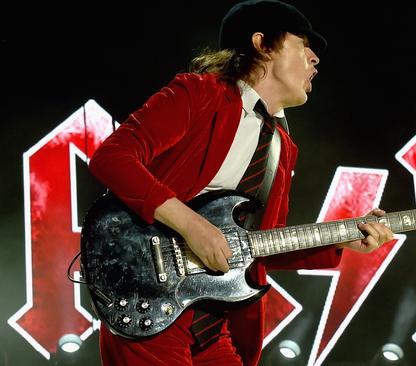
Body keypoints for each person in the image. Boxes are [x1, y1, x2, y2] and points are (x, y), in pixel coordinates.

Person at [88, 0, 394, 365]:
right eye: (303, 45)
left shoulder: (283, 146)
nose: (315, 59)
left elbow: (258, 245)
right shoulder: (199, 94)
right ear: (262, 44)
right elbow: (112, 157)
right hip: (150, 303)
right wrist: (192, 226)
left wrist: (342, 241)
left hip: (214, 325)